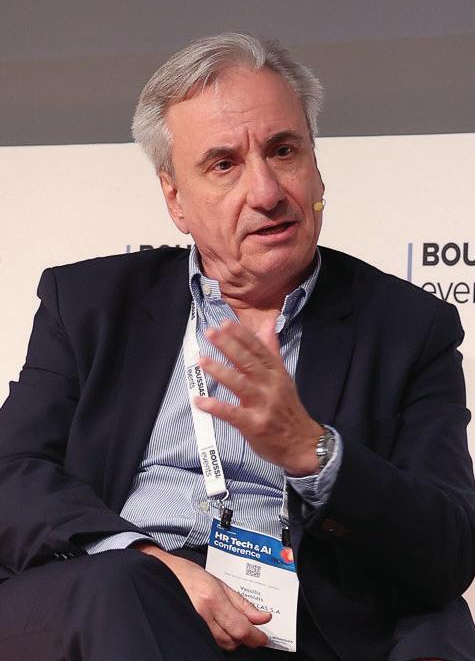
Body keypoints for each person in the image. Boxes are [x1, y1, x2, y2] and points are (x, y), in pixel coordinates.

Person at [0, 32, 474, 661]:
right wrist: (146, 557)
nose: (267, 192)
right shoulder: (90, 304)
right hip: (116, 591)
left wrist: (315, 452)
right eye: (224, 164)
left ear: (316, 165)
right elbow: (12, 471)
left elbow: (448, 546)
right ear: (175, 198)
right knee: (125, 589)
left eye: (284, 150)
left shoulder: (408, 328)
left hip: (294, 627)